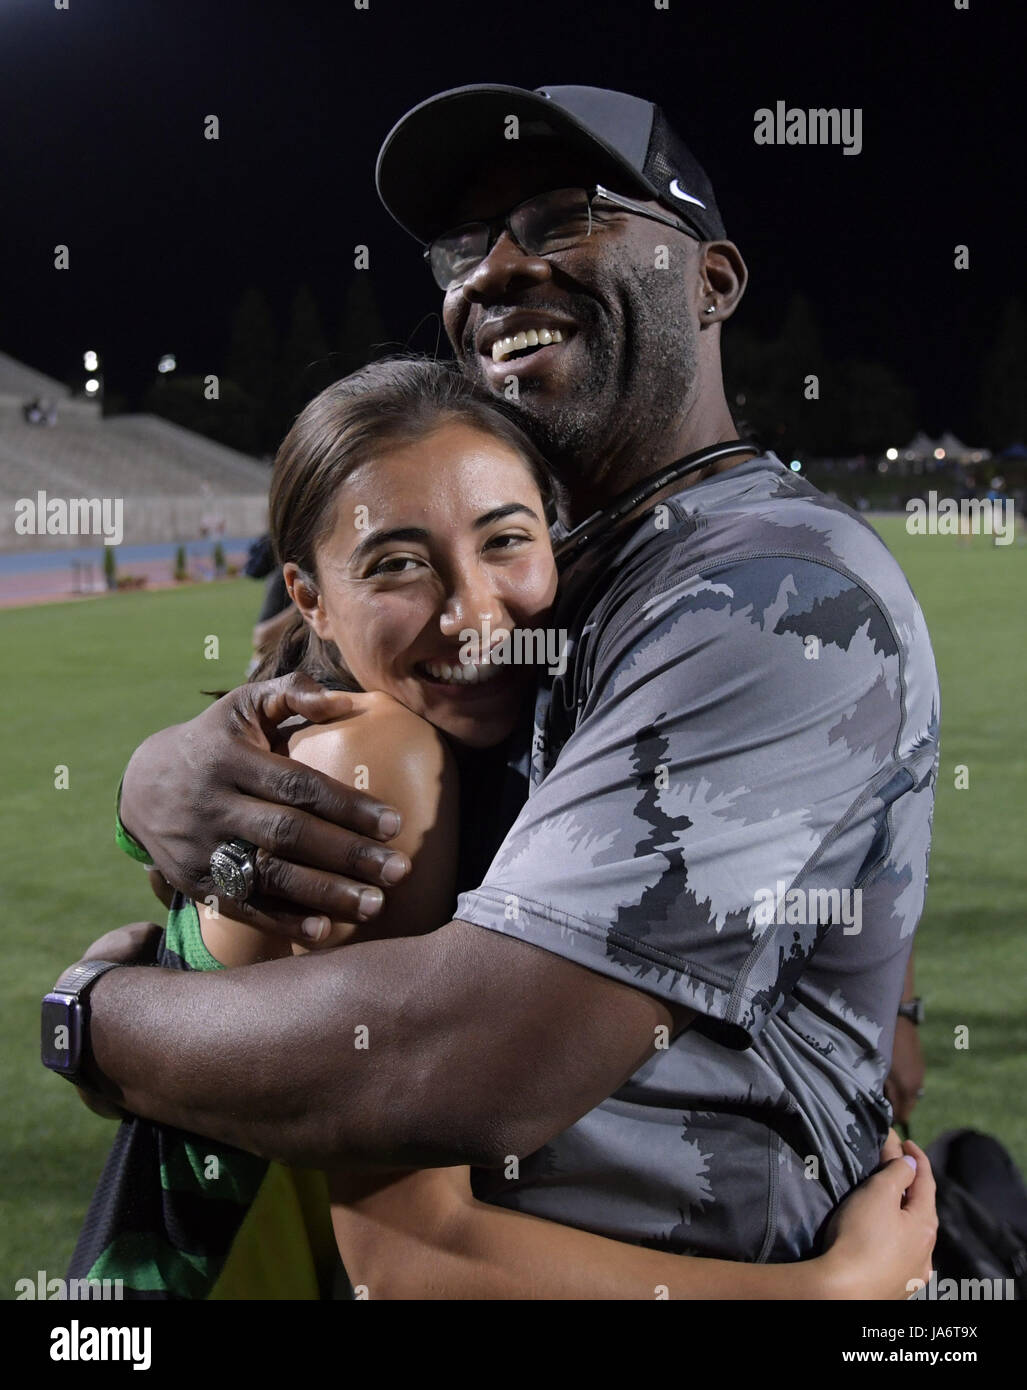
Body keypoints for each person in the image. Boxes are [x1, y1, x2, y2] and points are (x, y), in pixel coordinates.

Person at [45, 84, 941, 1275]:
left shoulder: (771, 588)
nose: (496, 270)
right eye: (464, 247)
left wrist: (95, 1022)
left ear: (712, 282)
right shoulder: (546, 580)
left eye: (567, 216)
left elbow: (471, 1066)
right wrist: (148, 784)